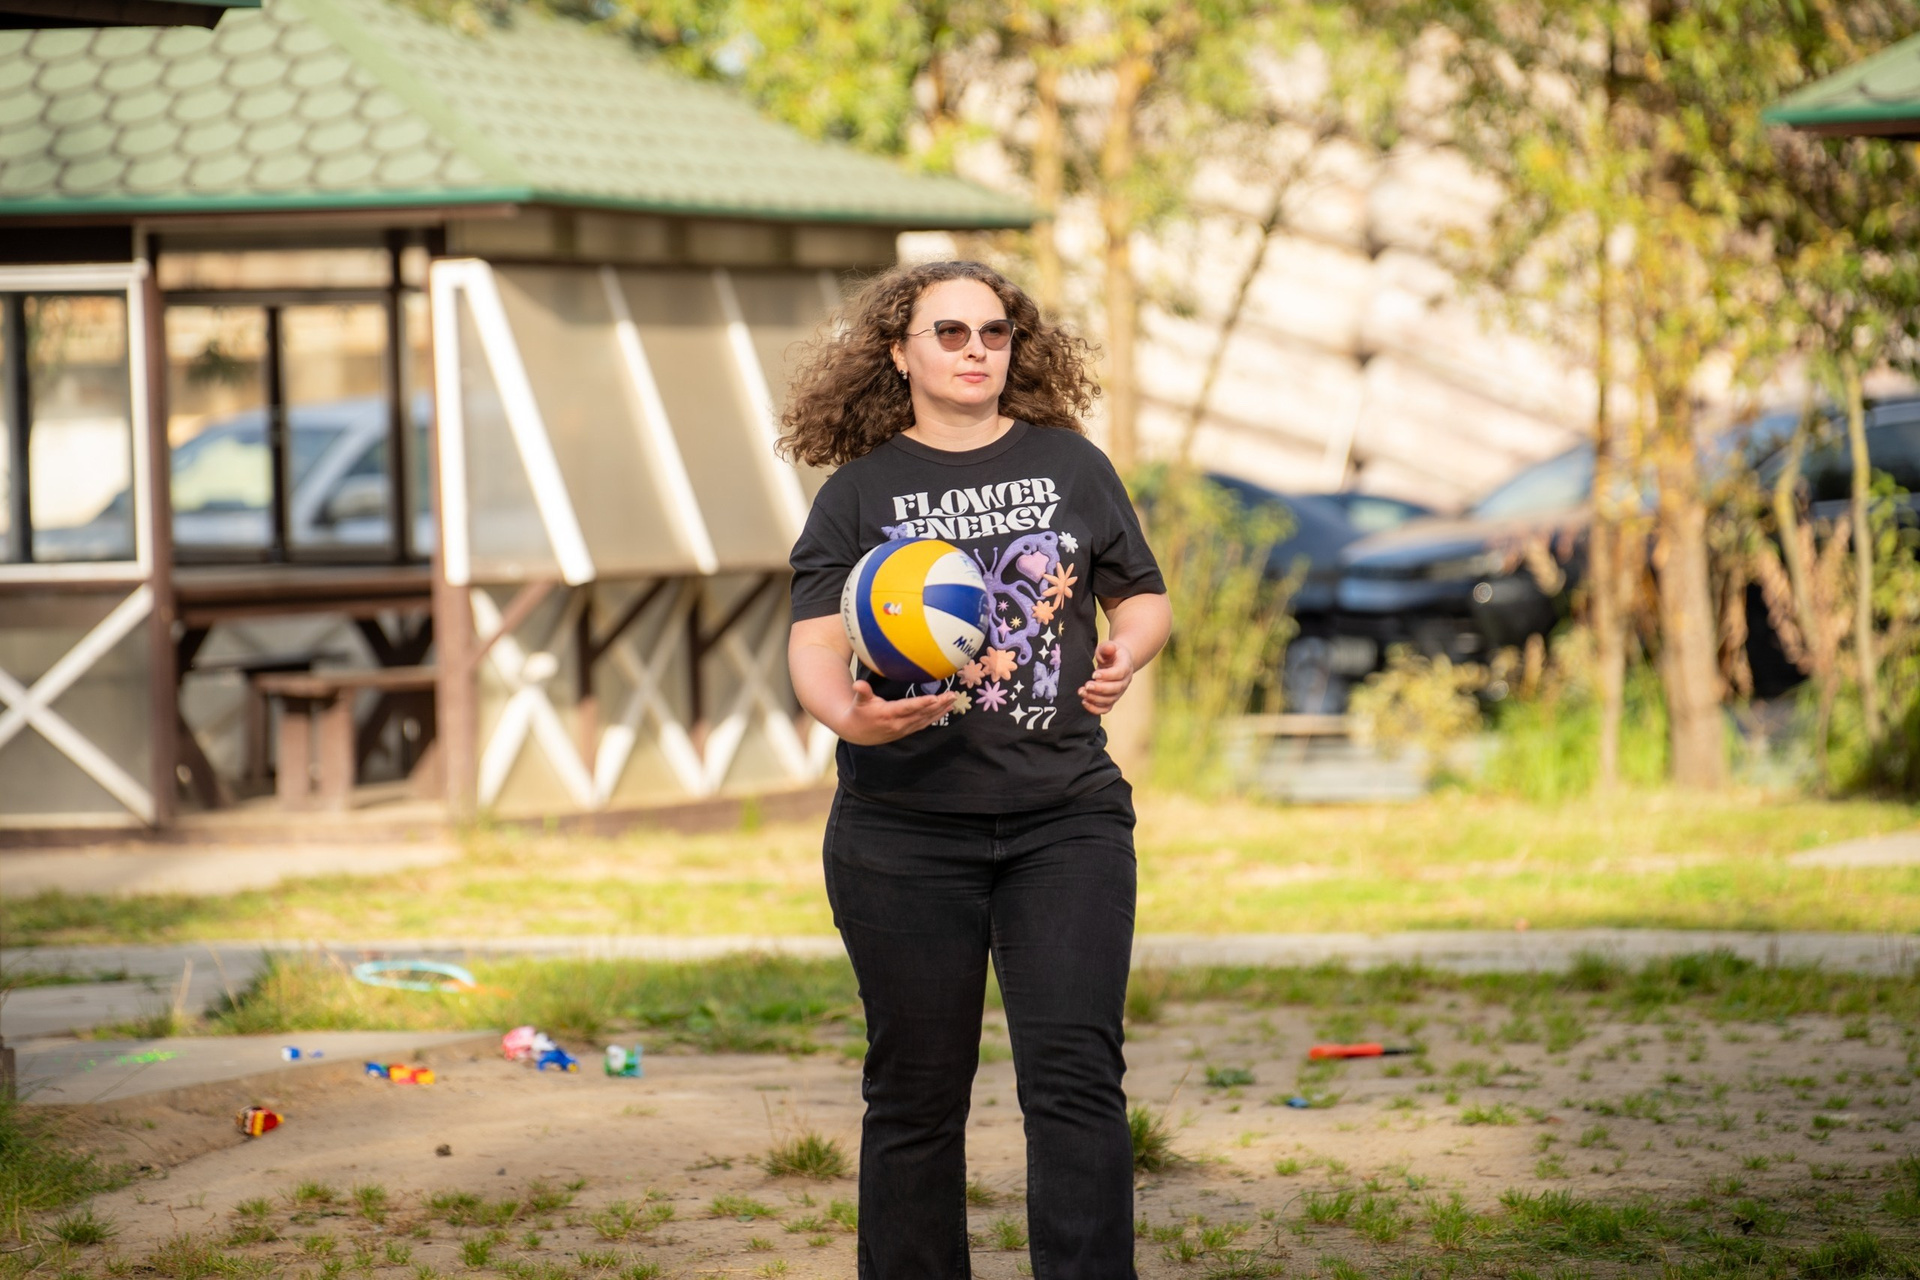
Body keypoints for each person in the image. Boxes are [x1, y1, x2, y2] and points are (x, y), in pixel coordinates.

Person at [781, 259, 1172, 1278]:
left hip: (1066, 822)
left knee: (1075, 1081)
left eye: (994, 332)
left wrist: (1129, 649)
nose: (975, 350)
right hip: (902, 828)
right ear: (899, 353)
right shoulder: (858, 494)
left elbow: (1141, 595)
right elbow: (815, 643)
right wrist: (851, 718)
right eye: (949, 332)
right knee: (914, 1093)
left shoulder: (1072, 465)